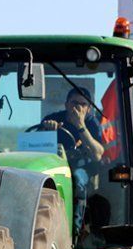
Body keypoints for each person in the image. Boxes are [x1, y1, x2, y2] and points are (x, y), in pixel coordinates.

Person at [40, 87, 105, 234]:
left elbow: (98, 154)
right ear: (66, 104)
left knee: (77, 179)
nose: (78, 107)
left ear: (88, 109)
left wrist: (81, 127)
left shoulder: (92, 124)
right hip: (56, 167)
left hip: (83, 169)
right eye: (74, 102)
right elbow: (37, 146)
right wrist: (48, 132)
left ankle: (74, 230)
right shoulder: (53, 119)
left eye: (83, 104)